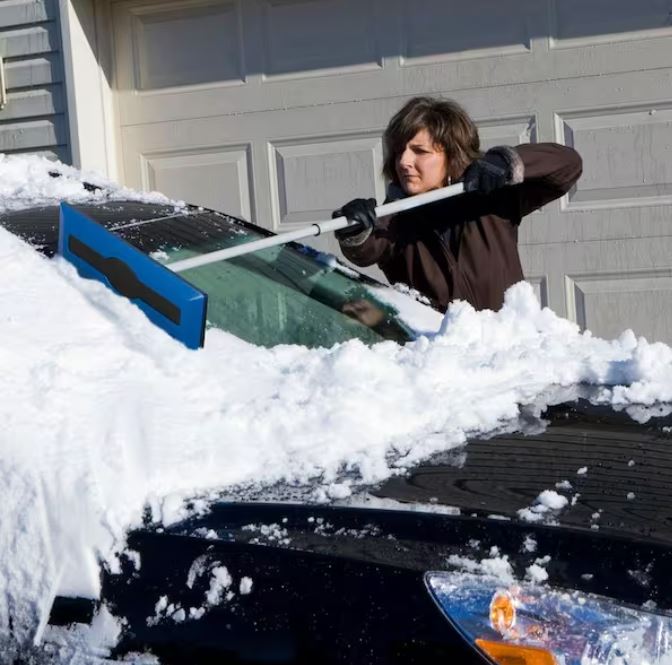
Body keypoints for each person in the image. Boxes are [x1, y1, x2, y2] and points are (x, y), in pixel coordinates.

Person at [332, 96, 583, 313]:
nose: (404, 161)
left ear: (452, 154)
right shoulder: (394, 219)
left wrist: (507, 162)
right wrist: (353, 227)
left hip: (510, 353)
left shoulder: (490, 202)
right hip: (445, 361)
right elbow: (366, 249)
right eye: (399, 151)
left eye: (420, 151)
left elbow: (567, 165)